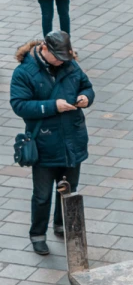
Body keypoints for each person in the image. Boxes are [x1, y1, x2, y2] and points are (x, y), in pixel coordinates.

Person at [10, 31, 94, 255]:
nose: (60, 62)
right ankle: (37, 235)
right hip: (45, 143)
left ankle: (60, 224)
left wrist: (87, 97)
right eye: (57, 57)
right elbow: (19, 105)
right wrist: (52, 106)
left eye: (63, 57)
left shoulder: (70, 65)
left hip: (72, 141)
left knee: (68, 189)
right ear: (44, 49)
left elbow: (87, 86)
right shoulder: (24, 72)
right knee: (42, 195)